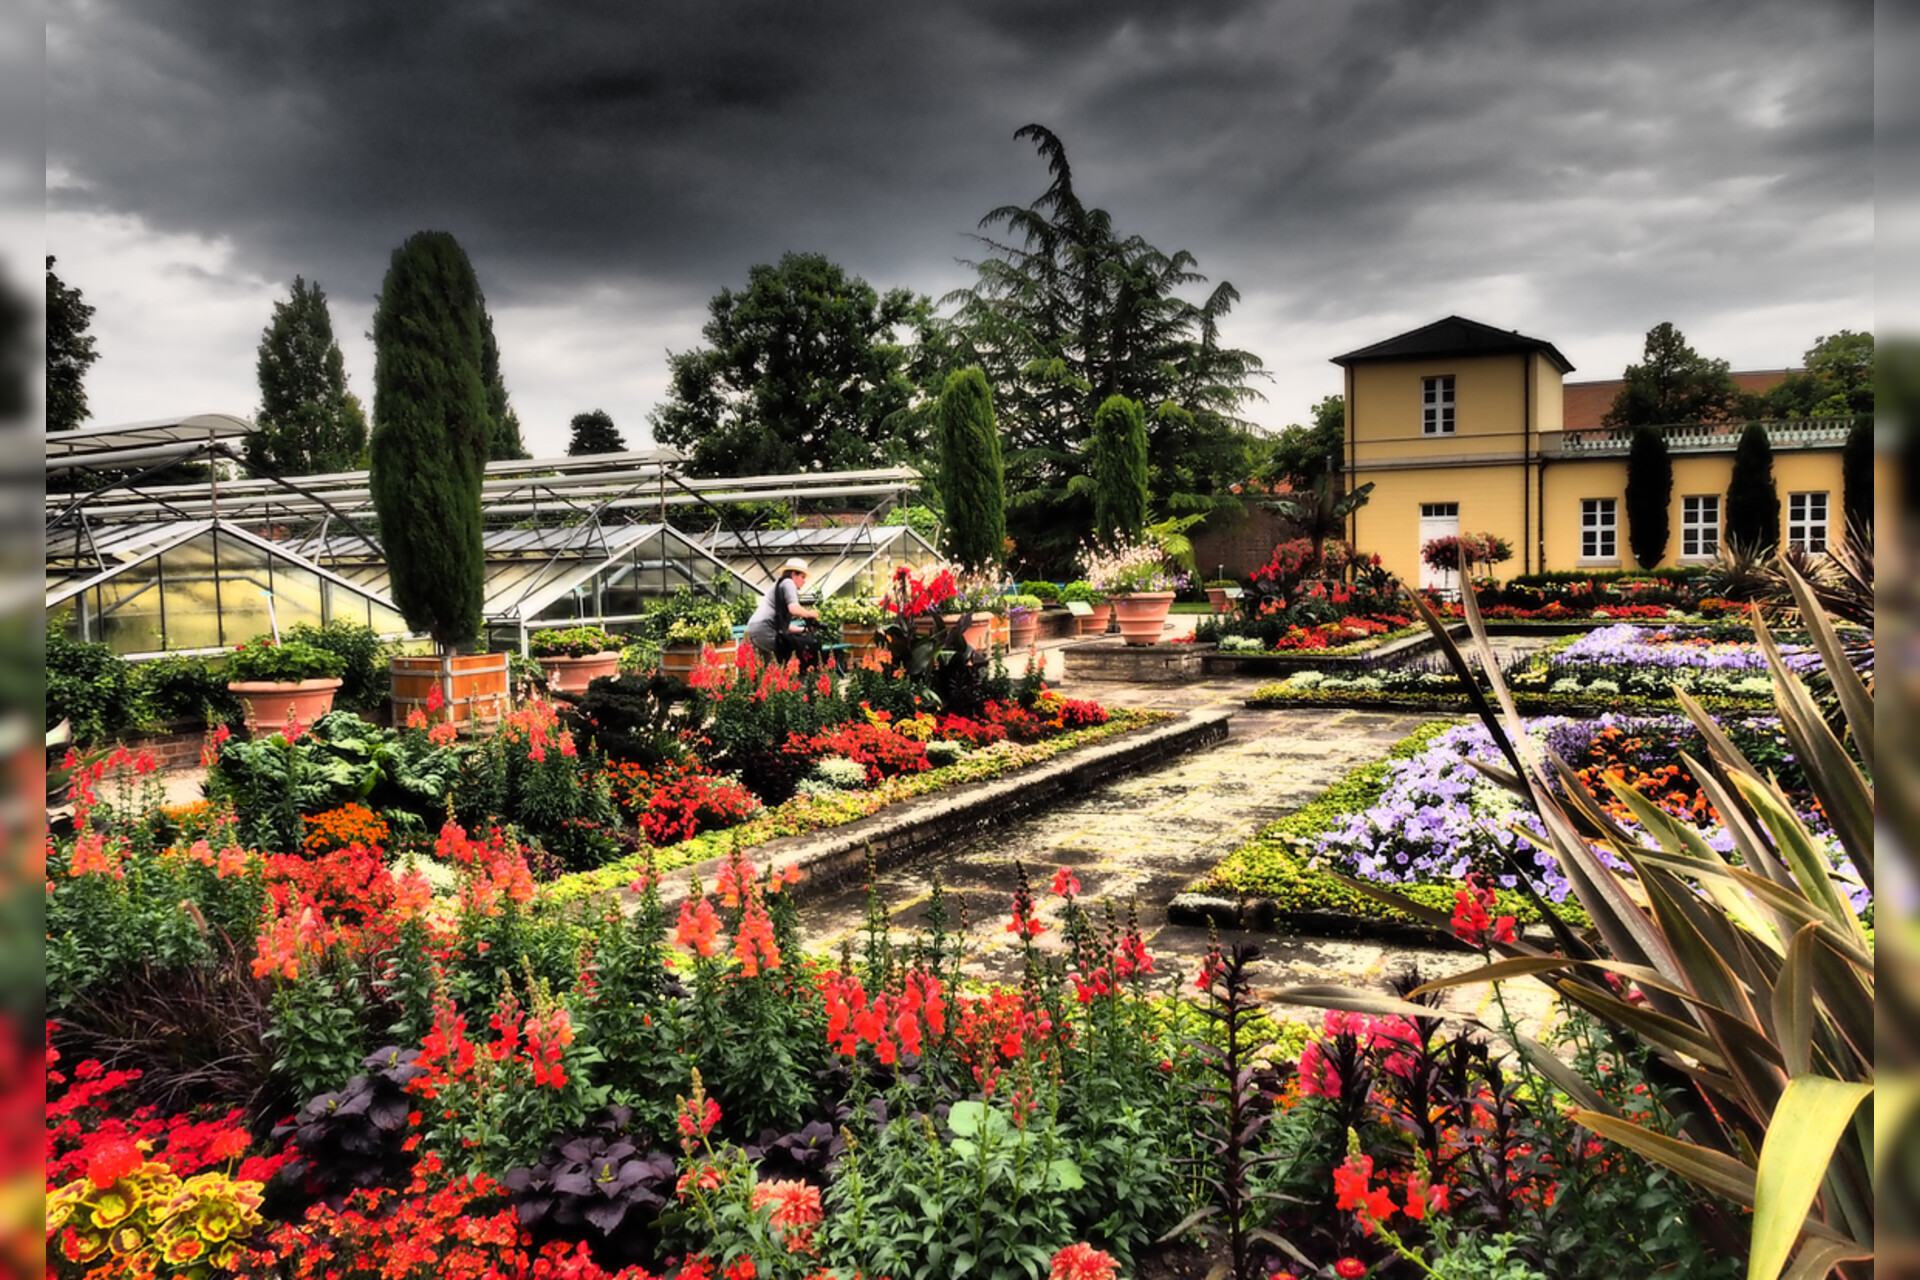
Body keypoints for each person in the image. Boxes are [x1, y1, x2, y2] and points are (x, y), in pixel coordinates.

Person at [745, 557, 822, 666]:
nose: (804, 581)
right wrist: (810, 614)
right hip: (765, 629)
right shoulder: (788, 583)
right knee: (788, 657)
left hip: (756, 630)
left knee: (769, 670)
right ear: (793, 574)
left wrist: (804, 630)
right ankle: (797, 680)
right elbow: (794, 609)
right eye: (802, 577)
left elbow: (783, 628)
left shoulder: (780, 584)